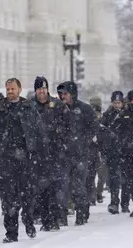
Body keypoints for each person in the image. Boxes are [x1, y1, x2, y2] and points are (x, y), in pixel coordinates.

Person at [0, 78, 41, 243]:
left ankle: (28, 221)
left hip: (26, 159)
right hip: (6, 159)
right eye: (8, 89)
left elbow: (38, 131)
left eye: (13, 89)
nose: (10, 91)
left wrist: (38, 154)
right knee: (8, 198)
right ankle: (11, 232)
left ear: (19, 89)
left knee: (27, 195)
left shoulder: (29, 108)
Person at [56, 81, 99, 225]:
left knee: (78, 186)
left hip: (80, 154)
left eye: (65, 93)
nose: (63, 96)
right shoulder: (58, 109)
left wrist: (82, 142)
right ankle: (62, 217)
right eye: (61, 94)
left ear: (72, 94)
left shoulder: (84, 109)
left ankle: (81, 213)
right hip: (62, 154)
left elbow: (93, 128)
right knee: (62, 186)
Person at [32, 76, 69, 231]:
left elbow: (68, 125)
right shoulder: (30, 106)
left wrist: (60, 139)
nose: (42, 92)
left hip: (55, 153)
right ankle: (44, 218)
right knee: (40, 189)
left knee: (55, 188)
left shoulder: (57, 105)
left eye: (44, 89)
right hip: (37, 154)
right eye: (39, 89)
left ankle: (55, 219)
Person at [101, 91, 128, 214]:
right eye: (115, 102)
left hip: (126, 150)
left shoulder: (127, 114)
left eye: (119, 102)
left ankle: (125, 203)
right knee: (114, 179)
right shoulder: (107, 115)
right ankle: (114, 202)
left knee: (126, 179)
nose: (117, 105)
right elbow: (102, 130)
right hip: (112, 151)